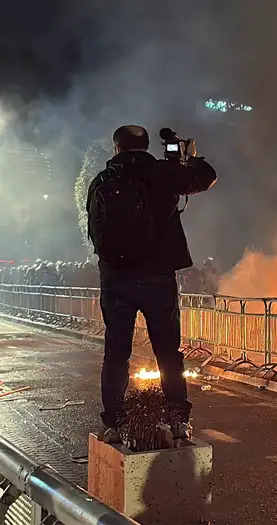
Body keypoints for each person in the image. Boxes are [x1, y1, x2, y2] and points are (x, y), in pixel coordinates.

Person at [87, 125, 217, 442]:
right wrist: (190, 159)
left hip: (116, 278)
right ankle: (177, 420)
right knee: (168, 352)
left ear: (116, 148)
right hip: (157, 277)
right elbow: (206, 178)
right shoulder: (162, 172)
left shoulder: (101, 181)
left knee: (116, 353)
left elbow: (94, 227)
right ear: (146, 147)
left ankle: (115, 423)